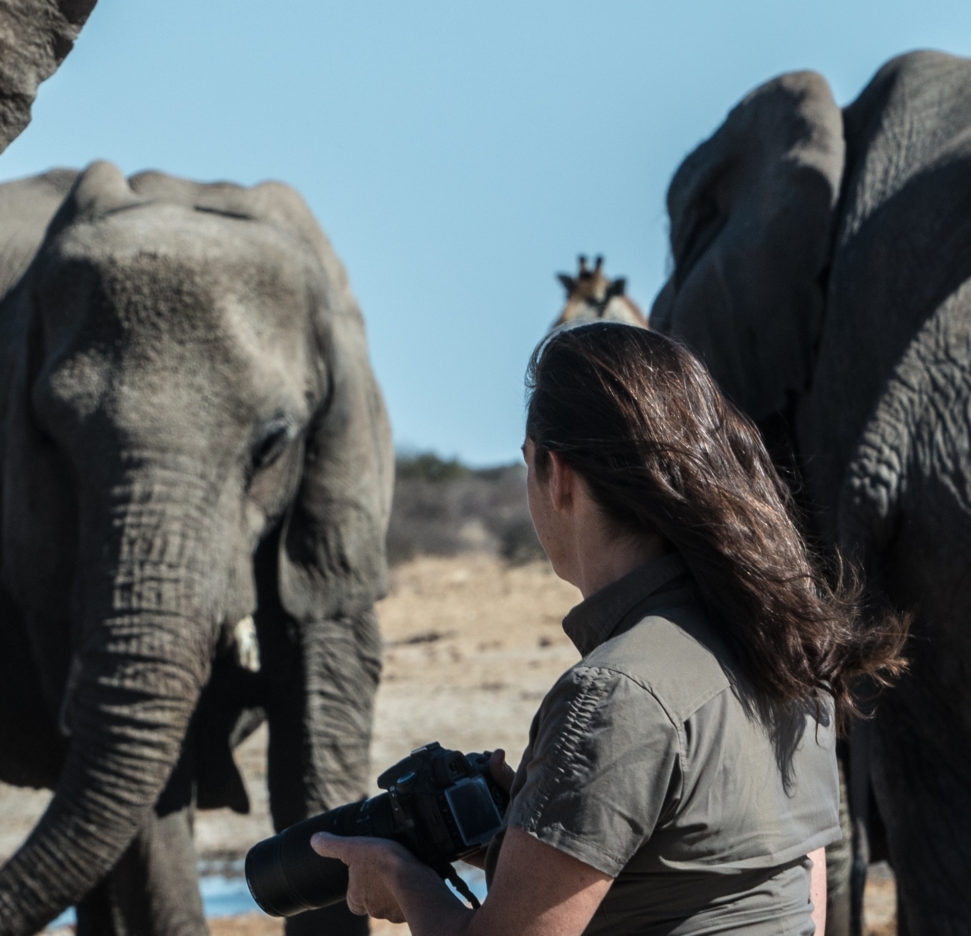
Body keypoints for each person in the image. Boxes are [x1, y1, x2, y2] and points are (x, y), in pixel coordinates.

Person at [315, 322, 905, 936]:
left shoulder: (611, 696)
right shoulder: (787, 648)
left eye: (527, 463)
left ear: (559, 475)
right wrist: (535, 829)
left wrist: (404, 880)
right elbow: (771, 894)